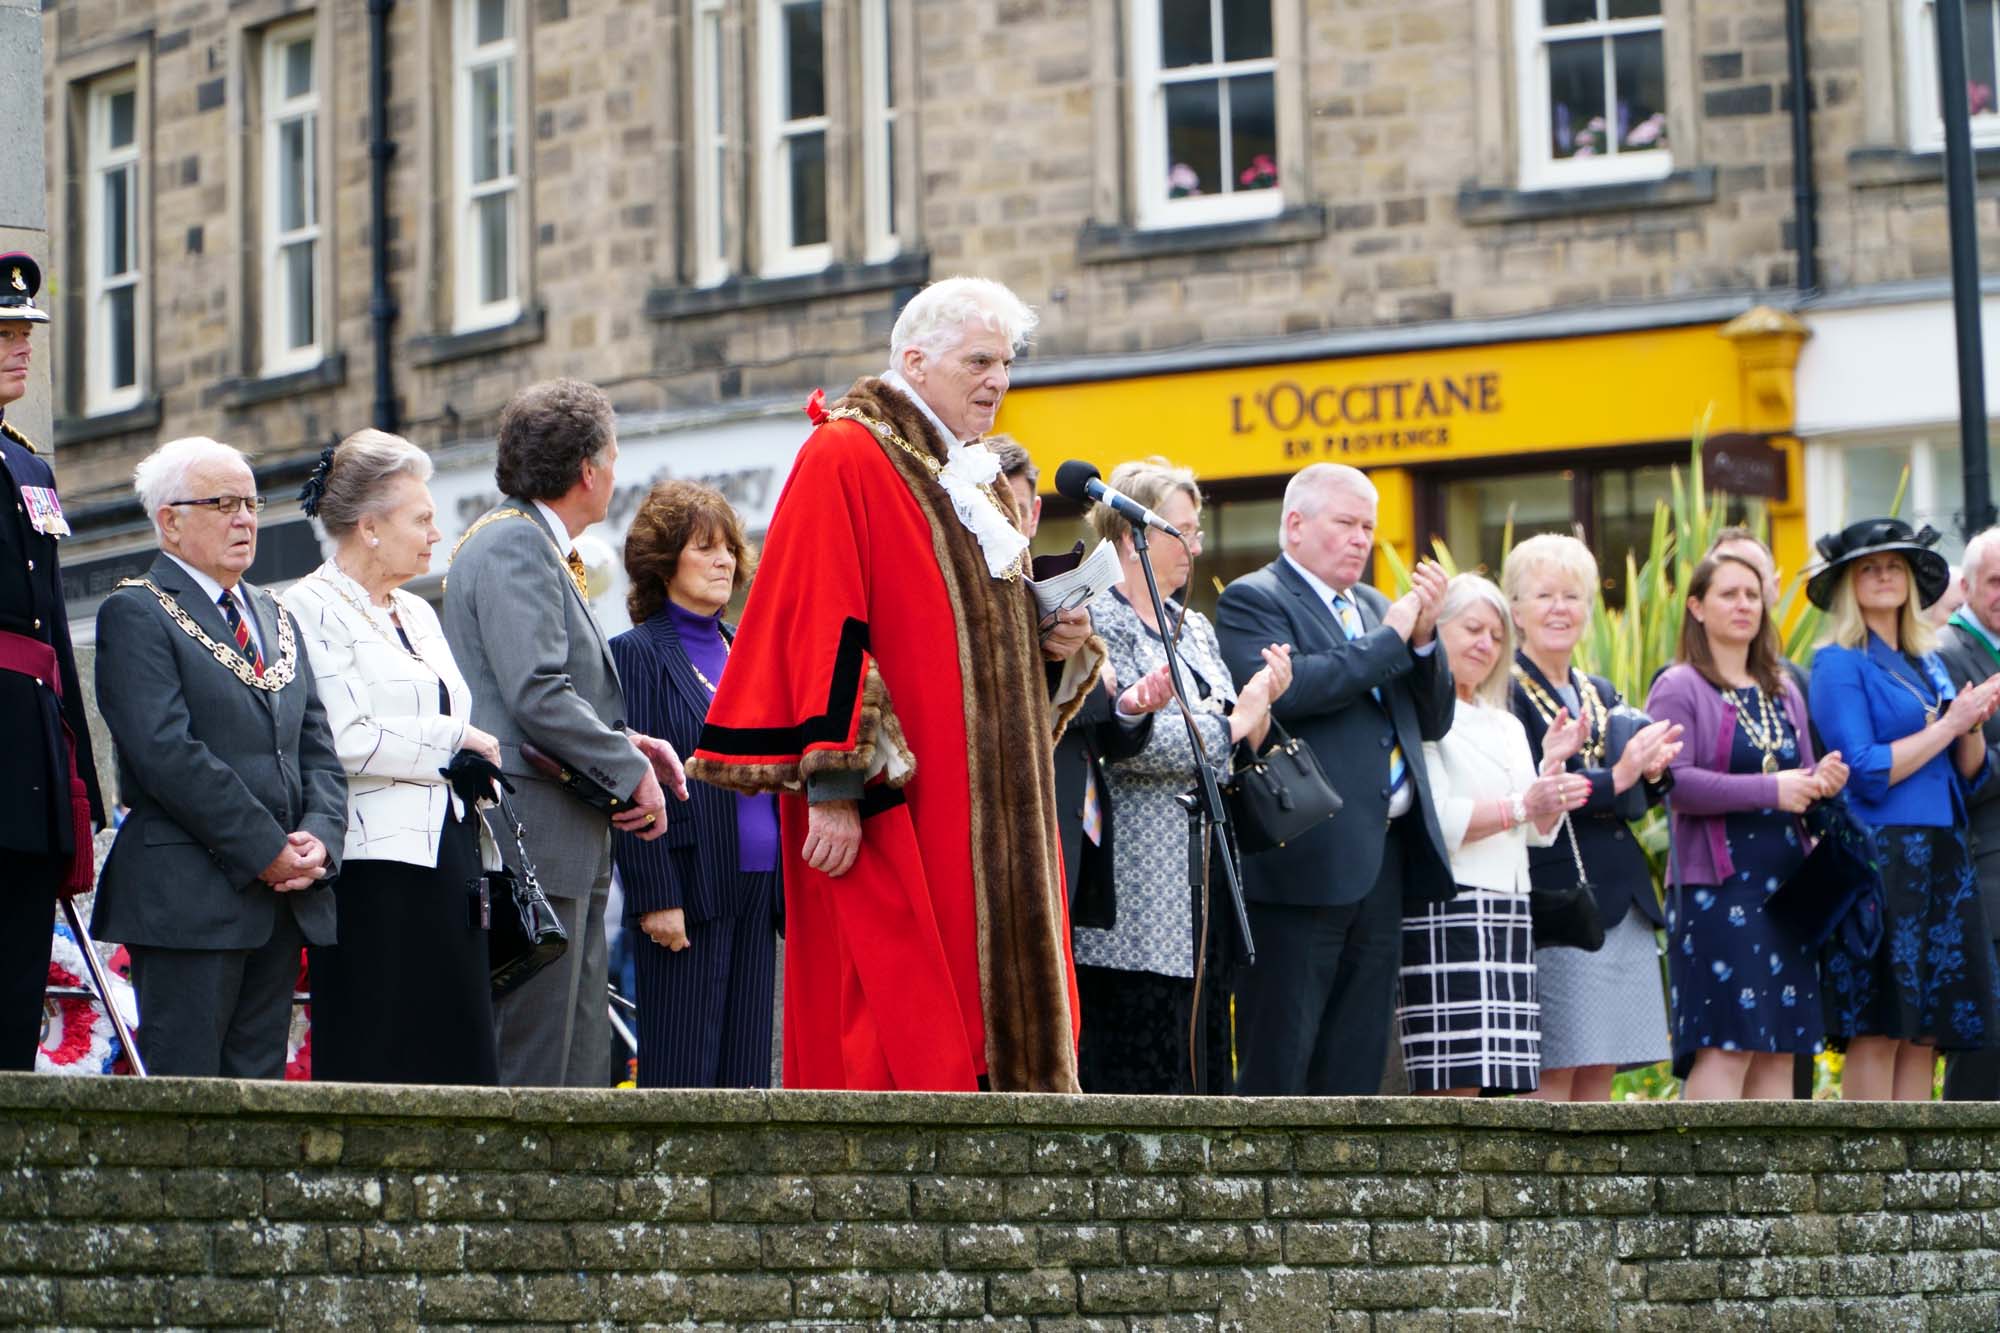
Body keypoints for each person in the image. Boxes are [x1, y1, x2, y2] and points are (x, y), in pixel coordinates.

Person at [688, 276, 1103, 1092]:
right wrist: (836, 787)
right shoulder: (842, 453)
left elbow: (978, 645)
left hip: (996, 810)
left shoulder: (974, 477)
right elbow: (822, 624)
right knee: (894, 1033)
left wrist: (1050, 642)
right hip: (898, 808)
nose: (999, 380)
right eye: (980, 360)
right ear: (914, 358)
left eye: (1007, 361)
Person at [442, 378, 688, 1087]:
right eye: (612, 455)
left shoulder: (529, 543)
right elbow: (538, 691)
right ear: (587, 470)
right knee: (541, 1062)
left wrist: (627, 745)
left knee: (579, 1059)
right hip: (534, 830)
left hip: (557, 827)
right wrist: (629, 767)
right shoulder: (516, 545)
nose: (616, 470)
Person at [91, 437, 344, 1077]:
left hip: (280, 903)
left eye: (252, 503)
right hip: (189, 902)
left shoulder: (274, 614)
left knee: (258, 1102)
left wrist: (319, 836)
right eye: (223, 503)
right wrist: (266, 850)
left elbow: (317, 745)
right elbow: (167, 754)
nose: (246, 519)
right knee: (187, 1103)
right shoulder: (136, 612)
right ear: (169, 520)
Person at [1213, 463, 1457, 1097]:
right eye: (1346, 523)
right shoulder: (1254, 598)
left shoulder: (1377, 608)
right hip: (1303, 862)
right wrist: (1394, 638)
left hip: (1382, 860)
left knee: (1356, 1061)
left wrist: (1425, 641)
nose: (1362, 539)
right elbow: (1295, 694)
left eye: (1369, 527)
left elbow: (1432, 719)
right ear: (1295, 525)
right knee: (1281, 1058)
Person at [280, 430, 503, 1085]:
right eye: (423, 518)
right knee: (384, 1047)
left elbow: (453, 710)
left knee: (459, 1048)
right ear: (371, 527)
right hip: (373, 865)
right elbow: (342, 736)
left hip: (450, 849)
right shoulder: (307, 605)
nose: (437, 532)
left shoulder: (416, 610)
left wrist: (460, 743)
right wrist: (454, 742)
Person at [1070, 458, 1291, 1094]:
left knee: (1204, 1047)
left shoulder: (1191, 625)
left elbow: (1228, 721)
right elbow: (1120, 740)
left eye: (1196, 531)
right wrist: (1228, 724)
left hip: (1205, 869)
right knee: (1141, 1046)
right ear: (1129, 535)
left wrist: (1255, 710)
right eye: (1181, 531)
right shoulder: (1096, 616)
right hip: (1134, 878)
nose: (1195, 545)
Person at [1807, 518, 2000, 1101]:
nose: (1884, 576)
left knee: (1923, 1030)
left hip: (1943, 853)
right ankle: (1868, 1178)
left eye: (1894, 566)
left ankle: (1913, 1183)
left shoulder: (1928, 660)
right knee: (1879, 1027)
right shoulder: (1838, 662)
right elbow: (1866, 770)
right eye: (1869, 568)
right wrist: (1950, 726)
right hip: (1882, 854)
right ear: (1848, 584)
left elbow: (1971, 772)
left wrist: (1971, 724)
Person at [1648, 553, 1850, 1099]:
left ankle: (1772, 1186)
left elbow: (1799, 778)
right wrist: (1773, 788)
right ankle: (1704, 1184)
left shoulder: (1782, 688)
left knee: (1781, 1048)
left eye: (1753, 595)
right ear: (1696, 606)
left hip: (1789, 883)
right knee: (1727, 1044)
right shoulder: (1679, 685)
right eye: (1728, 594)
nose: (1743, 605)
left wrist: (1819, 781)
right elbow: (1676, 783)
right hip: (1718, 885)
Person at [609, 480, 781, 1088]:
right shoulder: (634, 653)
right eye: (705, 548)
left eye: (729, 548)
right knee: (685, 1076)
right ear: (663, 561)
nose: (724, 560)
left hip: (762, 883)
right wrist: (656, 895)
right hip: (689, 884)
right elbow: (630, 781)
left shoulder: (747, 648)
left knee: (748, 1078)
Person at [1502, 533, 1680, 1102]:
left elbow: (1634, 797)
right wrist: (1621, 776)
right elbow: (1538, 792)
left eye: (1573, 596)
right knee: (1554, 1068)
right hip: (1556, 894)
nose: (1560, 608)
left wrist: (1650, 772)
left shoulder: (1599, 689)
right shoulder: (1505, 692)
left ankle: (1590, 1192)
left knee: (1600, 1066)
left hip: (1620, 893)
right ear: (1516, 611)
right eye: (1545, 595)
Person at [1400, 574, 1589, 1095]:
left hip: (1511, 907)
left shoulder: (1506, 723)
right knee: (1453, 1083)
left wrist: (1551, 769)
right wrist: (1521, 805)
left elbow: (1533, 831)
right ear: (1437, 630)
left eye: (1497, 636)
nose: (1486, 644)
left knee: (1509, 1087)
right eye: (1473, 629)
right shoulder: (1424, 714)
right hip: (1450, 906)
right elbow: (1440, 820)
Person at [0, 252, 105, 1070]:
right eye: (2, 332)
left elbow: (53, 635)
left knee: (17, 989)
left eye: (24, 330)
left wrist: (83, 793)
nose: (20, 346)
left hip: (33, 760)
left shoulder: (29, 464)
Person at [992, 438, 1166, 926]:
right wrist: (1091, 676)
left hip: (1070, 835)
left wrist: (1126, 703)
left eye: (1018, 509)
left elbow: (1104, 734)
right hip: (1005, 840)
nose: (1008, 520)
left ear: (1035, 514)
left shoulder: (1058, 592)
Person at [1939, 527, 2000, 1100]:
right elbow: (1960, 775)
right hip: (1985, 877)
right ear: (1966, 586)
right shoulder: (1947, 654)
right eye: (1995, 582)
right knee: (1985, 1056)